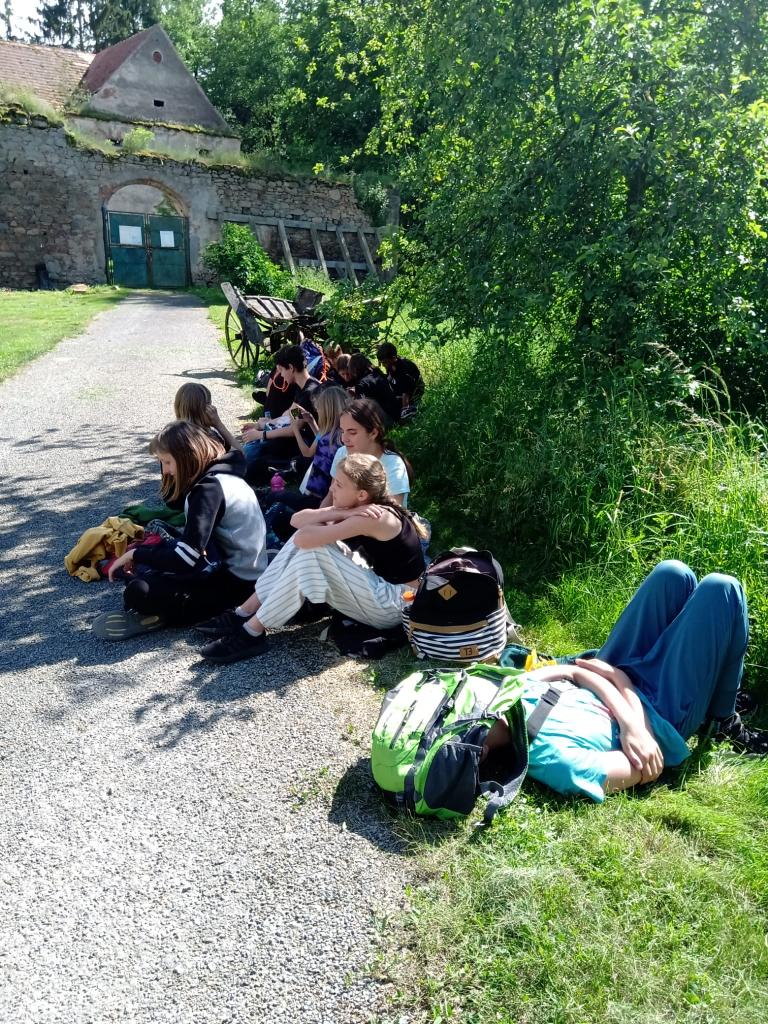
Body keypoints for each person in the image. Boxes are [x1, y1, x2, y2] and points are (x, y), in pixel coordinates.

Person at [482, 560, 768, 801]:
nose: (475, 716)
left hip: (611, 672)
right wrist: (633, 717)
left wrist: (626, 707)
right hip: (659, 712)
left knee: (672, 574)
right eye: (471, 731)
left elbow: (573, 672)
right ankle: (721, 720)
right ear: (481, 754)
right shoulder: (556, 761)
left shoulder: (502, 699)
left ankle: (718, 707)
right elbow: (647, 766)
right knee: (722, 589)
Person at [195, 453, 428, 663]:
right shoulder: (361, 508)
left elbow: (302, 539)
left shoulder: (373, 516)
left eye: (339, 484)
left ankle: (251, 631)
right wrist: (340, 511)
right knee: (310, 540)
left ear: (361, 494)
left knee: (313, 549)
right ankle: (244, 613)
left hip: (395, 604)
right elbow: (296, 521)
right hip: (385, 591)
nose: (332, 488)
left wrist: (342, 514)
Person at [92, 422, 267, 639]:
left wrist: (135, 554)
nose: (165, 470)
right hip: (243, 571)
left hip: (236, 585)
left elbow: (185, 559)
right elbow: (175, 506)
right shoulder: (223, 474)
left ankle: (171, 613)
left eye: (167, 462)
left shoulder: (207, 491)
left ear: (186, 457)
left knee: (139, 591)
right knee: (152, 563)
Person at [261, 386, 348, 542]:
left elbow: (307, 452)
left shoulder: (327, 439)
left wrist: (295, 429)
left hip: (317, 500)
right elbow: (321, 440)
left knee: (275, 501)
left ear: (326, 411)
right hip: (324, 500)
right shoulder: (340, 436)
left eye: (319, 409)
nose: (317, 411)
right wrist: (311, 422)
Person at [242, 344, 323, 480]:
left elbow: (294, 429)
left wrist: (261, 434)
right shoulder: (303, 386)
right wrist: (263, 424)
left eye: (281, 370)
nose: (281, 374)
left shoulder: (309, 393)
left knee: (255, 457)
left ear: (291, 368)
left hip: (309, 444)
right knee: (254, 450)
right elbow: (291, 414)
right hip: (300, 438)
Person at [322, 398, 411, 507]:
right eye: (342, 431)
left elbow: (391, 512)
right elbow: (331, 497)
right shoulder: (342, 453)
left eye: (352, 432)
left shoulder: (393, 464)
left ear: (373, 433)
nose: (343, 439)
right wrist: (316, 516)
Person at [173, 382, 243, 453]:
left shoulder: (171, 437)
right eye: (209, 404)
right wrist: (219, 425)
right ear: (204, 409)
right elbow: (242, 453)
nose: (213, 408)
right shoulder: (211, 440)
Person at [347, 353, 401, 425]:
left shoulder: (362, 384)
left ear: (353, 369)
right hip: (397, 412)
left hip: (387, 419)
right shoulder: (377, 373)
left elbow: (362, 409)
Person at [376, 342, 425, 413]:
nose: (383, 365)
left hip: (413, 394)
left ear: (393, 358)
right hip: (400, 389)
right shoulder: (391, 365)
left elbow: (406, 392)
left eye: (384, 362)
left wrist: (404, 409)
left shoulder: (404, 369)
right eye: (381, 363)